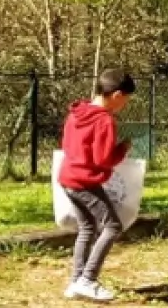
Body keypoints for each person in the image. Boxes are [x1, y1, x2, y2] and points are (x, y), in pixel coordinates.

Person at [58, 70, 136, 303]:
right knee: (113, 226)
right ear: (117, 95)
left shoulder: (77, 113)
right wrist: (123, 149)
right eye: (126, 100)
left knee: (87, 227)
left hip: (67, 178)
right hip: (85, 181)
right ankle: (88, 280)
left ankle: (76, 281)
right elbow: (103, 159)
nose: (125, 105)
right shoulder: (104, 120)